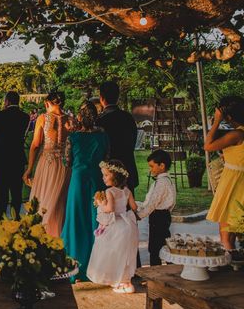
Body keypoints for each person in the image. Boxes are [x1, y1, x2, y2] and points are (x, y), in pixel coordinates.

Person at [62, 100, 109, 283]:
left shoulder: (73, 137)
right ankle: (96, 267)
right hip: (97, 179)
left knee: (76, 220)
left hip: (78, 180)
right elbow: (107, 156)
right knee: (96, 221)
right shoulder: (103, 135)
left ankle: (76, 267)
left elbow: (67, 162)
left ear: (79, 117)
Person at [22, 90, 73, 237]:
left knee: (42, 200)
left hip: (47, 163)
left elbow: (36, 144)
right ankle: (59, 235)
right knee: (60, 202)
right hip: (65, 165)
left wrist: (29, 169)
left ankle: (41, 235)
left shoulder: (43, 118)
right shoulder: (71, 120)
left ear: (48, 103)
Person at [87, 160, 139, 294]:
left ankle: (120, 282)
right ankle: (126, 282)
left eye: (106, 175)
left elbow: (110, 209)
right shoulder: (127, 191)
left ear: (115, 176)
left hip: (116, 225)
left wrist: (99, 203)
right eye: (103, 175)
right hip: (127, 225)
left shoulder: (110, 191)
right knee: (125, 254)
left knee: (113, 253)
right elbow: (134, 207)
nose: (103, 178)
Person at [204, 95, 244, 249]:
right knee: (233, 229)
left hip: (234, 183)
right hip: (239, 181)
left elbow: (208, 145)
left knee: (225, 233)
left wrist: (216, 121)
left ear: (228, 116)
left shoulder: (237, 134)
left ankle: (229, 265)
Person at [0, 91, 31, 221]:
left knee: (1, 190)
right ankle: (16, 218)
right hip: (17, 156)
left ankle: (0, 218)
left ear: (7, 101)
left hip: (2, 156)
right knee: (16, 190)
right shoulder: (25, 117)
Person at [96, 81, 139, 191]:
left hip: (108, 172)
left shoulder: (100, 121)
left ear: (101, 98)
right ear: (118, 97)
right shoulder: (128, 118)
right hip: (127, 168)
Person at [137, 149, 176, 266]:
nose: (150, 169)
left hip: (158, 216)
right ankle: (171, 269)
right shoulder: (166, 180)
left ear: (162, 166)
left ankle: (156, 272)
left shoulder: (162, 182)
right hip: (163, 215)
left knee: (155, 248)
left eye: (152, 166)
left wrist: (139, 216)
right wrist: (139, 205)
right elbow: (149, 201)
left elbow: (153, 203)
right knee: (164, 243)